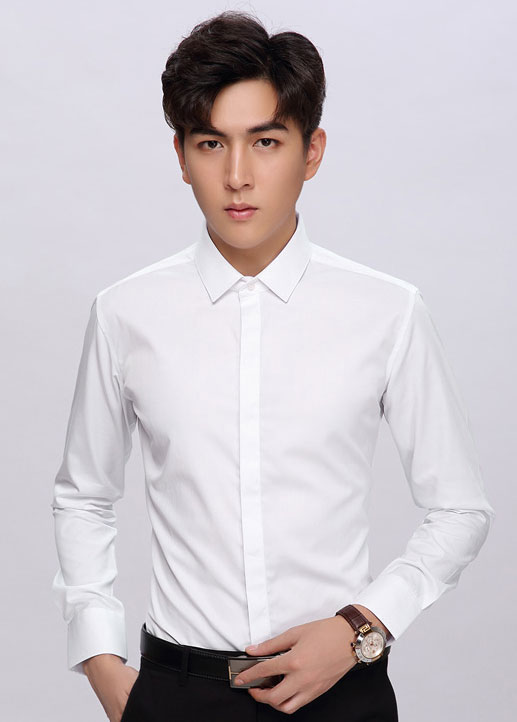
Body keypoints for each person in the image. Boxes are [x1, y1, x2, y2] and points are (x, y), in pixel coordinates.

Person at [50, 10, 495, 722]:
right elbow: (84, 495)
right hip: (177, 693)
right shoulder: (125, 312)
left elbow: (460, 508)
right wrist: (101, 661)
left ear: (311, 151)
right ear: (180, 156)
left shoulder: (387, 310)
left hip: (340, 691)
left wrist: (361, 628)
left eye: (265, 142)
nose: (237, 176)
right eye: (210, 143)